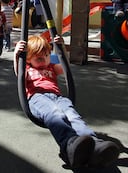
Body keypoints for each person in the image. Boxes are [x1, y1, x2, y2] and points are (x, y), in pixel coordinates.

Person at [14, 35, 120, 169]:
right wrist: (17, 55)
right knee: (56, 114)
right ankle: (69, 145)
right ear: (28, 59)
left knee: (73, 116)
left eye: (47, 55)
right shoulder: (28, 69)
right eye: (39, 58)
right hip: (37, 97)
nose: (44, 60)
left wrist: (62, 48)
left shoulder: (51, 67)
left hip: (58, 97)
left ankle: (94, 145)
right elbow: (19, 74)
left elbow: (65, 66)